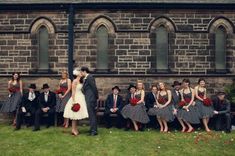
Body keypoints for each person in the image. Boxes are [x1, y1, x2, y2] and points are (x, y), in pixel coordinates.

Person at [63, 68, 89, 136]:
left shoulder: (81, 81)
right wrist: (74, 101)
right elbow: (73, 92)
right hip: (76, 97)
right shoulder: (74, 81)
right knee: (74, 115)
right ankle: (73, 130)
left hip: (81, 97)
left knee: (77, 115)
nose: (81, 73)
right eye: (80, 72)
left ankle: (75, 129)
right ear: (77, 74)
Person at [80, 66, 99, 136]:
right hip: (88, 98)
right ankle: (92, 129)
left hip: (91, 99)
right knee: (91, 115)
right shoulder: (86, 78)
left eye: (81, 72)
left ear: (84, 71)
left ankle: (94, 131)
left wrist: (96, 97)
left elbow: (94, 87)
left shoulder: (90, 77)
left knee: (92, 115)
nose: (81, 73)